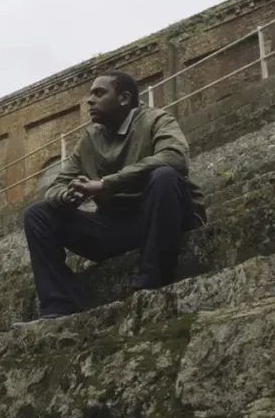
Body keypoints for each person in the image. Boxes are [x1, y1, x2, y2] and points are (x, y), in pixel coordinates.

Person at [20, 70, 206, 322]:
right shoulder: (89, 139)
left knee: (164, 176)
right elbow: (55, 186)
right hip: (116, 227)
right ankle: (57, 306)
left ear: (124, 98)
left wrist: (106, 184)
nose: (89, 100)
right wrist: (66, 196)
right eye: (89, 95)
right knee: (37, 214)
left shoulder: (157, 119)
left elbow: (175, 157)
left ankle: (151, 282)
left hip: (162, 219)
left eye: (99, 93)